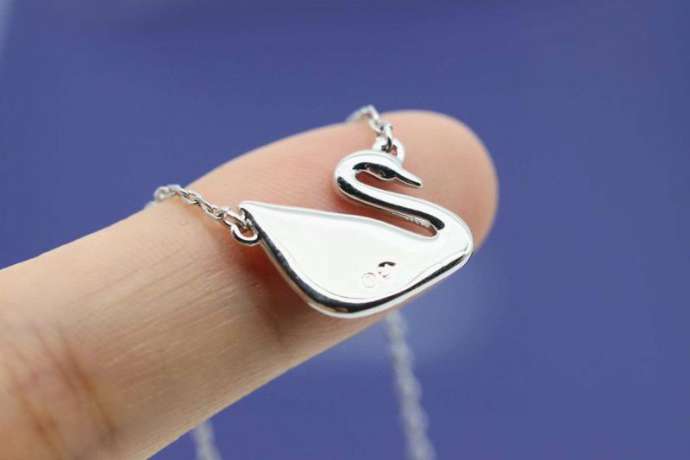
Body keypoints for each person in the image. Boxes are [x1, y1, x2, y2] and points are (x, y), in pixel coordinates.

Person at [0, 111, 498, 459]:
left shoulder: (395, 243)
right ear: (364, 177)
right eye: (392, 178)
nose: (408, 187)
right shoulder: (393, 243)